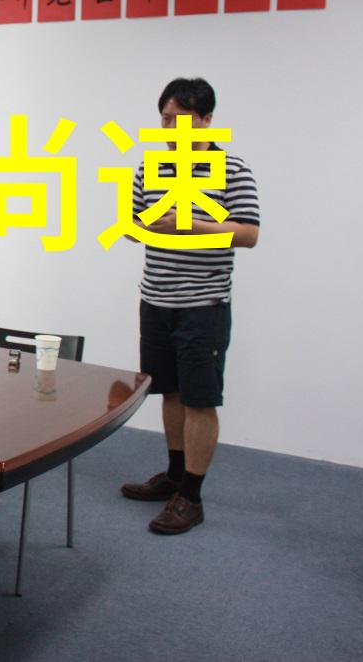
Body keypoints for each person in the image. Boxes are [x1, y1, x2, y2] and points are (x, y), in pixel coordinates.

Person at [119, 77, 260, 535]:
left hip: (203, 305)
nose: (169, 128)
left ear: (206, 120)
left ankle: (192, 498)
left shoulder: (232, 169)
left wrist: (190, 223)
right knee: (170, 391)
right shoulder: (150, 167)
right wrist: (144, 226)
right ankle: (175, 476)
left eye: (179, 120)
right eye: (164, 119)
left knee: (200, 399)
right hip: (155, 298)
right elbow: (132, 225)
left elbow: (248, 233)